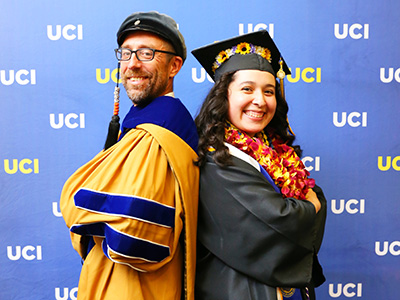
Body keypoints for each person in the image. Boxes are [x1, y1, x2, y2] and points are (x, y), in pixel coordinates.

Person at [60, 11, 199, 300]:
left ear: (174, 66)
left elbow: (133, 238)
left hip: (136, 289)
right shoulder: (141, 121)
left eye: (147, 53)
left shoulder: (160, 130)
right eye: (125, 53)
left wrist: (81, 206)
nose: (132, 64)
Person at [191, 30, 327, 300]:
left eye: (269, 91)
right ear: (223, 96)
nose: (260, 101)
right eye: (247, 89)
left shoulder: (275, 152)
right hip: (232, 290)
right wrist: (312, 205)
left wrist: (308, 203)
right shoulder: (215, 157)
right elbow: (279, 220)